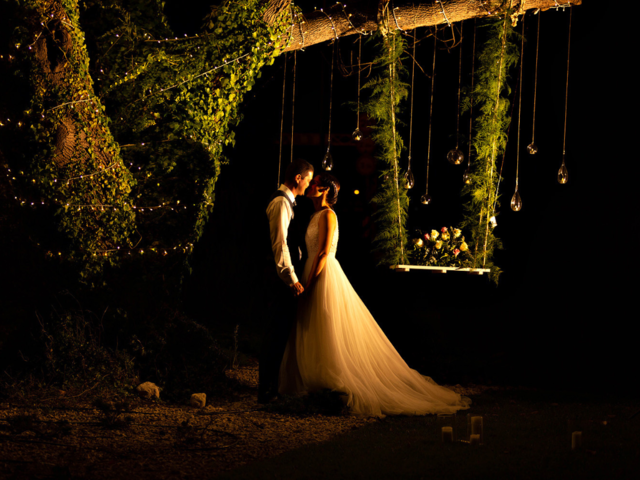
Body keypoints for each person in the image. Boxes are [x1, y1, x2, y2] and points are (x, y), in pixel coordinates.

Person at [279, 172, 471, 417]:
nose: (311, 186)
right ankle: (313, 382)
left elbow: (324, 253)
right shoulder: (314, 214)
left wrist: (310, 281)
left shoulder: (328, 215)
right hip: (311, 269)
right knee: (310, 325)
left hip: (322, 273)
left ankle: (330, 384)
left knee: (324, 324)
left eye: (315, 184)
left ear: (325, 190)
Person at [260, 158, 314, 404]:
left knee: (280, 332)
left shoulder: (288, 203)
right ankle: (267, 391)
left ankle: (272, 388)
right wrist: (291, 278)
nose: (309, 186)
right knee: (275, 332)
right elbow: (280, 243)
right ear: (298, 179)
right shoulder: (281, 203)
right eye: (308, 180)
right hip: (279, 280)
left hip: (281, 279)